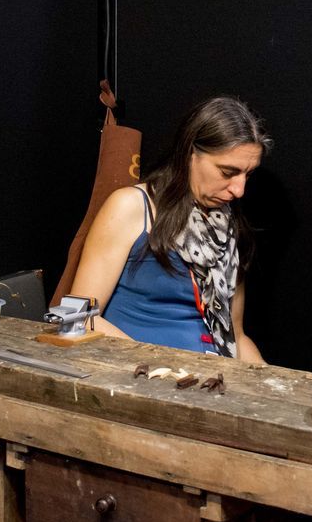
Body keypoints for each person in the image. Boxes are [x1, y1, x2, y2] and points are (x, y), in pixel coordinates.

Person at [68, 96, 271, 362]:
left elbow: (237, 336)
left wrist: (275, 387)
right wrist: (160, 366)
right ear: (190, 154)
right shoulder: (131, 207)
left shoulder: (228, 227)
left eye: (248, 174)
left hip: (213, 380)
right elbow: (80, 317)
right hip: (139, 377)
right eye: (227, 172)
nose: (239, 189)